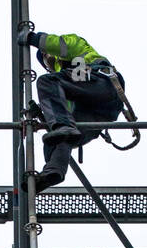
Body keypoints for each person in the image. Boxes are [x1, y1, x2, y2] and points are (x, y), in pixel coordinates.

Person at [18, 28, 126, 192]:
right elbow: (64, 113)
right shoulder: (65, 83)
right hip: (99, 111)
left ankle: (62, 131)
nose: (48, 58)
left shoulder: (75, 52)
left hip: (102, 81)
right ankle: (52, 172)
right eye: (45, 59)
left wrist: (33, 38)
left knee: (47, 83)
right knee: (62, 137)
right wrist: (42, 113)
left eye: (46, 54)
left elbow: (60, 45)